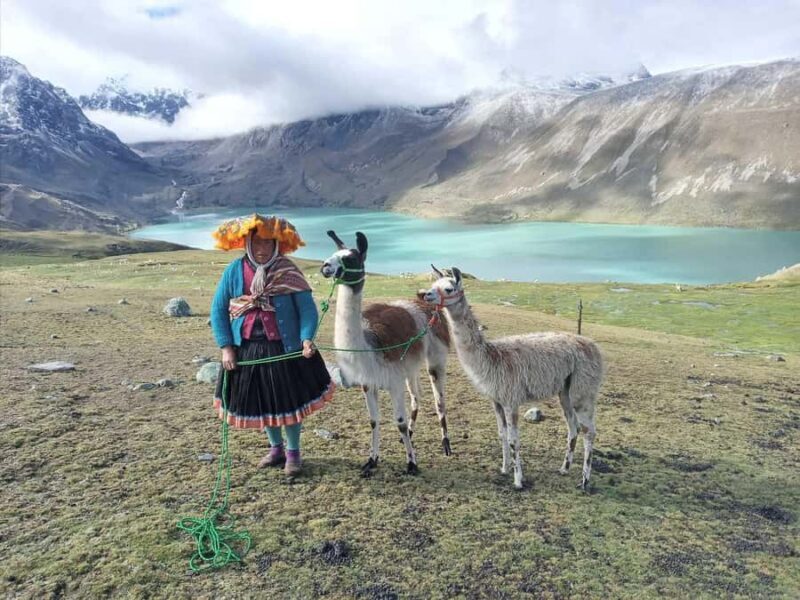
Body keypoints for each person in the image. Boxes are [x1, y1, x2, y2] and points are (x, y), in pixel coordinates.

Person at [210, 214, 334, 476]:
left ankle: (293, 453)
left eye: (268, 244)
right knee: (264, 403)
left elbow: (307, 311)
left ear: (277, 244)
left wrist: (306, 338)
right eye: (257, 244)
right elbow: (219, 310)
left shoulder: (288, 271)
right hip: (246, 350)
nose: (262, 250)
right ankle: (275, 448)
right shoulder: (234, 271)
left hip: (284, 350)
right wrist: (226, 347)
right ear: (247, 243)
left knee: (288, 405)